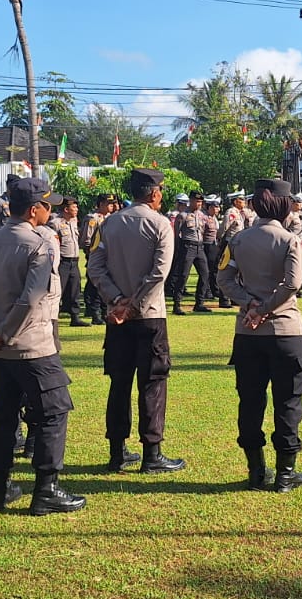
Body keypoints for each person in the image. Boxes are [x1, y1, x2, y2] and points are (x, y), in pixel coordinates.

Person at [0, 174, 88, 514]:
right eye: (48, 205)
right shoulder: (41, 243)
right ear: (34, 210)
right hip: (30, 344)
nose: (51, 211)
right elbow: (31, 297)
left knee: (3, 413)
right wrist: (3, 332)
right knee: (53, 409)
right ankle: (46, 489)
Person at [88, 167, 185, 474]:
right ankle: (152, 454)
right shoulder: (160, 224)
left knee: (119, 383)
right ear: (154, 193)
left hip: (117, 317)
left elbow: (95, 267)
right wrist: (135, 305)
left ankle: (117, 452)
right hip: (149, 317)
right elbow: (159, 273)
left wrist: (116, 300)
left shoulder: (109, 223)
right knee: (153, 383)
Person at [219, 178, 302, 493]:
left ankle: (256, 471)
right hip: (285, 330)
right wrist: (269, 308)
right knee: (288, 400)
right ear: (285, 206)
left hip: (247, 332)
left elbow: (224, 279)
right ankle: (285, 474)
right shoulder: (290, 240)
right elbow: (293, 283)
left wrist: (250, 304)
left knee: (250, 400)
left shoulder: (239, 241)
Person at [167, 191, 211, 316]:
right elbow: (176, 235)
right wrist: (177, 250)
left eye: (201, 202)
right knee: (183, 276)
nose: (199, 204)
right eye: (197, 201)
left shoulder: (201, 215)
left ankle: (199, 303)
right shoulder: (183, 215)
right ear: (191, 201)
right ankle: (177, 304)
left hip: (199, 246)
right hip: (187, 246)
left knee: (205, 274)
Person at [49, 196, 88, 326]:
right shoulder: (55, 223)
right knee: (58, 291)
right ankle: (52, 318)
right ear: (66, 209)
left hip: (74, 261)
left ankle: (75, 317)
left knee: (75, 289)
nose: (76, 209)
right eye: (74, 207)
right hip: (63, 262)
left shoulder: (74, 221)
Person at [82, 193, 113, 324]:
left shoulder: (112, 218)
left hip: (109, 256)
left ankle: (105, 311)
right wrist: (91, 253)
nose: (111, 206)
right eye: (108, 204)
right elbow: (86, 239)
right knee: (95, 285)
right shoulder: (93, 219)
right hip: (96, 255)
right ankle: (95, 313)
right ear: (101, 205)